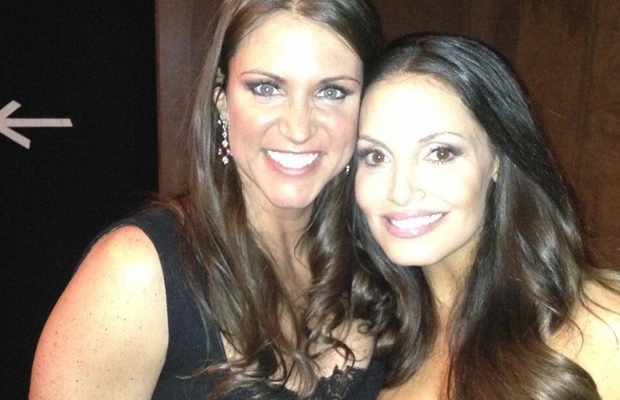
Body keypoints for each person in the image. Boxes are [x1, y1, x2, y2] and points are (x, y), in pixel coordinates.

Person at [29, 1, 384, 399]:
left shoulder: (382, 259)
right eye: (266, 88)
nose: (298, 128)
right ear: (221, 98)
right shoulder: (137, 273)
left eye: (332, 91)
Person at [352, 34, 620, 400]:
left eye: (441, 153)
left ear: (497, 158)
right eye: (375, 156)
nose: (400, 191)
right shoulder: (367, 341)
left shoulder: (605, 325)